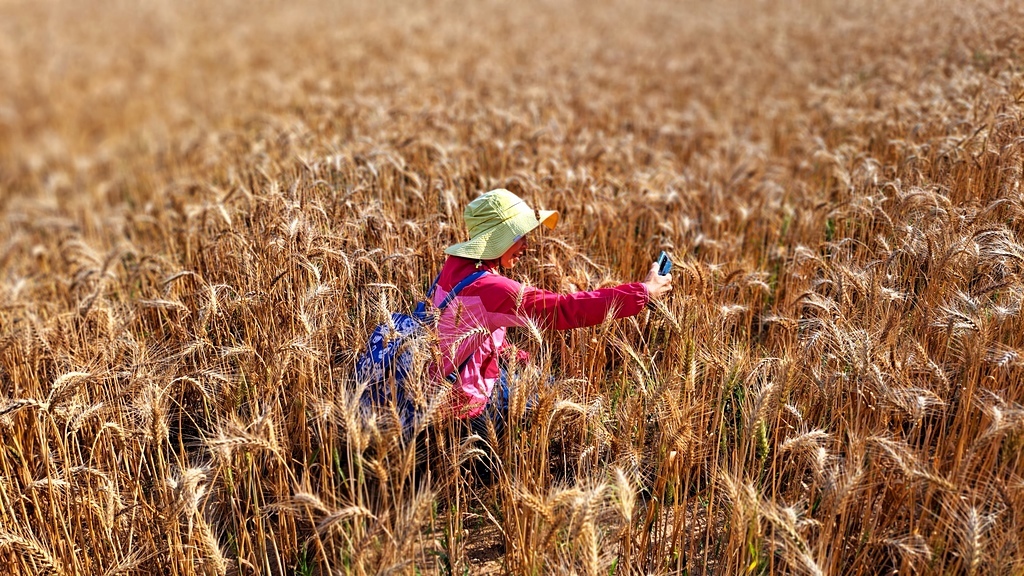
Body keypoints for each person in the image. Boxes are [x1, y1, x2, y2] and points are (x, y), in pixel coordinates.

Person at [429, 189, 673, 428]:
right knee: (553, 403)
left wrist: (516, 356)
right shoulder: (491, 288)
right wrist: (643, 292)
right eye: (518, 237)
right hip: (459, 405)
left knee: (544, 382)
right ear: (496, 239)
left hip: (439, 382)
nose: (527, 245)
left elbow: (466, 328)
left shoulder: (456, 268)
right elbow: (563, 309)